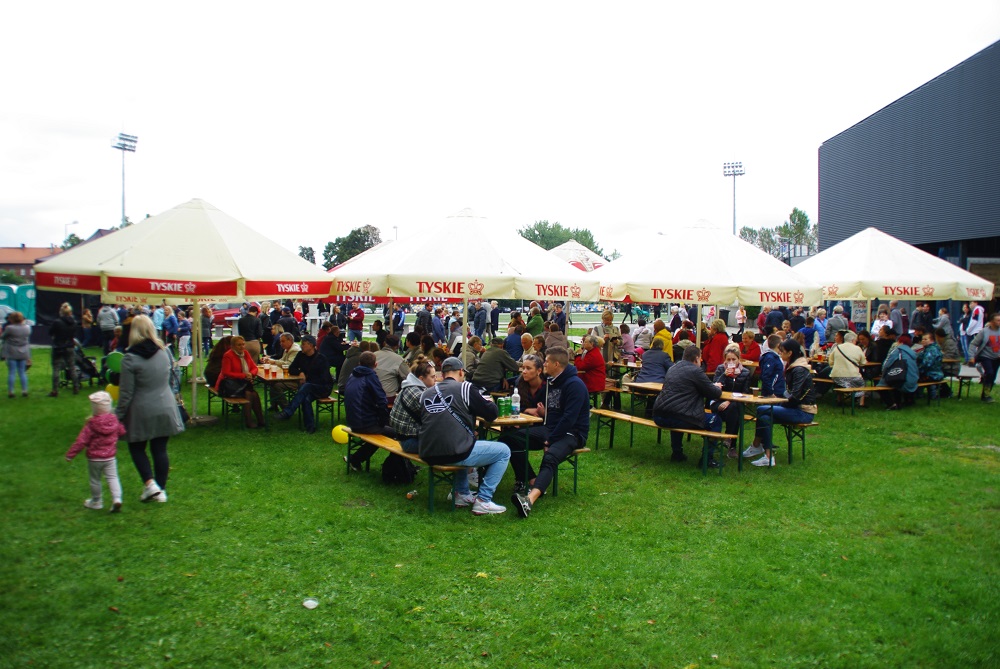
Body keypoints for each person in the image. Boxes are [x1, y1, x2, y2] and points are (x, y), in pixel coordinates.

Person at [416, 357, 509, 515]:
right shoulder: (465, 388)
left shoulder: (426, 393)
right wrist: (489, 401)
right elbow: (492, 414)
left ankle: (461, 493)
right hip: (453, 451)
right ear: (461, 372)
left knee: (463, 441)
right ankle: (483, 500)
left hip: (428, 451)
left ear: (442, 374)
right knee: (504, 451)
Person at [504, 347, 588, 518]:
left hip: (572, 434)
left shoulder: (575, 385)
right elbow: (546, 409)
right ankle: (531, 479)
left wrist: (550, 440)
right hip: (550, 429)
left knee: (550, 457)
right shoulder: (551, 382)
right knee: (509, 439)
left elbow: (569, 419)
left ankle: (529, 499)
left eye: (547, 361)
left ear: (556, 364)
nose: (544, 364)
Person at [116, 314, 184, 503]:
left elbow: (126, 393)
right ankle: (160, 489)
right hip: (165, 404)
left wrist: (117, 416)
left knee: (136, 446)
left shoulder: (129, 358)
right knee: (159, 449)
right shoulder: (164, 352)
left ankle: (150, 483)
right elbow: (172, 377)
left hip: (141, 408)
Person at [744, 339, 818, 467]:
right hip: (797, 408)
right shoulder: (795, 367)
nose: (780, 353)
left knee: (763, 410)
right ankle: (767, 455)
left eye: (782, 352)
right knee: (765, 414)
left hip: (803, 411)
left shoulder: (799, 369)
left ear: (790, 353)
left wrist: (781, 400)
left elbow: (794, 396)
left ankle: (759, 447)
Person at [651, 346, 723, 465]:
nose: (701, 362)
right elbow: (714, 393)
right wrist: (717, 387)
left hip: (659, 414)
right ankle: (707, 459)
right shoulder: (695, 371)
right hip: (679, 416)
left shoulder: (673, 368)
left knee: (676, 412)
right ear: (696, 358)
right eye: (700, 359)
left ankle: (677, 453)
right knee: (715, 420)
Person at [65, 391, 127, 513]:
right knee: (113, 477)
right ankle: (117, 499)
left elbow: (81, 441)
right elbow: (122, 431)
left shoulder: (91, 424)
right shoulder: (114, 420)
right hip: (110, 457)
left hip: (94, 458)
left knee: (95, 480)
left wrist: (70, 454)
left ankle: (96, 501)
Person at [343, 350, 396, 469]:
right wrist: (383, 421)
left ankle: (355, 458)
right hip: (364, 422)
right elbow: (382, 401)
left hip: (352, 420)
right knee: (397, 433)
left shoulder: (353, 375)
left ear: (359, 363)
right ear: (375, 365)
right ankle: (397, 467)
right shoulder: (370, 376)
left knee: (384, 430)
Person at [274, 335, 333, 433]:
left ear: (311, 345)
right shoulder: (301, 355)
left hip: (322, 388)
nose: (301, 346)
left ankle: (288, 411)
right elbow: (291, 369)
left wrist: (307, 378)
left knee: (307, 386)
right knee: (306, 399)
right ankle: (310, 427)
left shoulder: (321, 359)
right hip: (307, 387)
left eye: (304, 344)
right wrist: (300, 373)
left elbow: (324, 379)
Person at [708, 344, 752, 458]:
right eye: (728, 359)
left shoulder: (745, 372)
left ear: (738, 359)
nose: (731, 362)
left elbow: (745, 393)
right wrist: (724, 376)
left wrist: (729, 401)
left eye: (734, 359)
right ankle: (731, 445)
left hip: (733, 403)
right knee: (736, 412)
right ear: (725, 360)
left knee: (735, 408)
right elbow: (714, 389)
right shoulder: (720, 369)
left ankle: (729, 438)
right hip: (718, 402)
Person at [214, 335, 265, 428]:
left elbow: (254, 367)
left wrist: (251, 374)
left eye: (243, 344)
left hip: (242, 384)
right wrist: (244, 375)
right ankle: (249, 422)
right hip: (228, 385)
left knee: (254, 394)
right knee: (249, 394)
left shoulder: (245, 353)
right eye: (239, 345)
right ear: (232, 346)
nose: (242, 347)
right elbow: (226, 373)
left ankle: (260, 420)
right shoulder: (228, 355)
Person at [389, 357, 437, 454]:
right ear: (421, 378)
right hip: (410, 441)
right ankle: (470, 469)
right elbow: (436, 415)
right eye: (433, 377)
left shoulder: (411, 386)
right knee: (455, 447)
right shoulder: (418, 394)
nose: (436, 379)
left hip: (405, 437)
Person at [826, 330, 867, 407]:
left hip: (836, 376)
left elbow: (830, 362)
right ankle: (861, 403)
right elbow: (863, 363)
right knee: (862, 383)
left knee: (839, 384)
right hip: (852, 376)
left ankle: (839, 400)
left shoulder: (837, 348)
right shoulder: (857, 348)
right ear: (853, 340)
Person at [967, 312, 1000, 404]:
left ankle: (986, 394)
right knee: (989, 373)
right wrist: (971, 356)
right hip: (985, 356)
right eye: (998, 320)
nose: (999, 322)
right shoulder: (984, 331)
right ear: (992, 322)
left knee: (992, 376)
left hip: (997, 357)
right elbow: (973, 344)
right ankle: (986, 395)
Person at [880, 334, 918, 410]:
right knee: (896, 382)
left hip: (903, 380)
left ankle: (891, 404)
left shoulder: (897, 351)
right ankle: (902, 402)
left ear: (899, 342)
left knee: (881, 384)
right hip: (914, 380)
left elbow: (886, 365)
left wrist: (883, 374)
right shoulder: (912, 353)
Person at [49, 302, 79, 397]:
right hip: (70, 346)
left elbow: (50, 332)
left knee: (56, 368)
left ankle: (55, 390)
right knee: (72, 367)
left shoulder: (57, 322)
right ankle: (76, 386)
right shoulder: (74, 323)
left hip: (58, 347)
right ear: (70, 312)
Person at [2, 310, 31, 398]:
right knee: (22, 372)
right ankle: (24, 390)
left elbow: (3, 337)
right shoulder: (27, 328)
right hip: (24, 352)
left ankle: (11, 391)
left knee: (12, 372)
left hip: (12, 352)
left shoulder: (9, 328)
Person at [374, 334, 409, 400]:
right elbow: (408, 376)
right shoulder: (399, 359)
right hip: (388, 396)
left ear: (384, 343)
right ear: (398, 346)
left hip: (371, 394)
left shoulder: (374, 355)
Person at [574, 335, 606, 399]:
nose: (583, 344)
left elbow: (580, 367)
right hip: (593, 380)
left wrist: (578, 355)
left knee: (573, 386)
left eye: (585, 342)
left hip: (594, 383)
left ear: (591, 344)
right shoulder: (593, 352)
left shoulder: (593, 355)